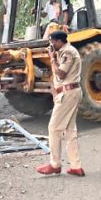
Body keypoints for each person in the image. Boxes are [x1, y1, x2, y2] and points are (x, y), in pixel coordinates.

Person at [36, 30, 85, 177]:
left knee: (53, 128)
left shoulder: (68, 52)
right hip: (69, 92)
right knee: (70, 131)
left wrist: (52, 59)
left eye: (52, 41)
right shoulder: (65, 51)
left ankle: (55, 164)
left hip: (68, 93)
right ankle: (76, 166)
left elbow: (61, 74)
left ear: (59, 41)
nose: (51, 44)